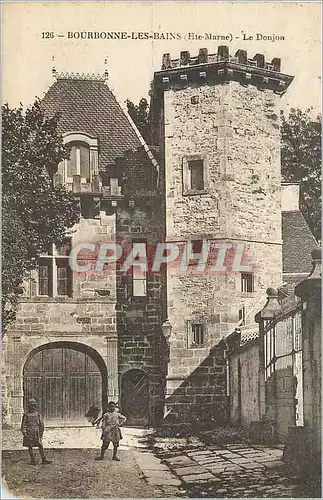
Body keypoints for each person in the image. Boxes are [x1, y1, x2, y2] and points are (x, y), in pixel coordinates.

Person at [21, 398, 52, 465]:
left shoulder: (37, 414)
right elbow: (23, 425)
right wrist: (25, 433)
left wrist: (41, 433)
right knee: (30, 446)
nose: (32, 407)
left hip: (36, 432)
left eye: (33, 405)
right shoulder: (26, 415)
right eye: (31, 406)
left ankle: (43, 459)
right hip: (29, 432)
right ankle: (33, 460)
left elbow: (41, 424)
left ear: (35, 406)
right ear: (29, 406)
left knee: (40, 445)